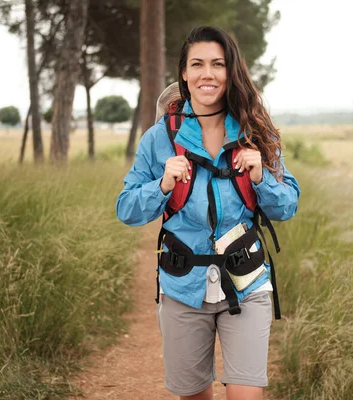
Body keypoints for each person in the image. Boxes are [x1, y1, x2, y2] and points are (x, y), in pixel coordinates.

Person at [116, 26, 300, 400]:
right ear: (183, 72)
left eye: (218, 64)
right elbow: (127, 209)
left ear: (230, 71)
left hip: (246, 283)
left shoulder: (254, 130)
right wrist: (162, 185)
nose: (208, 73)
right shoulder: (159, 139)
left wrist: (261, 176)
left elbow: (287, 205)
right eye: (197, 64)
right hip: (183, 286)